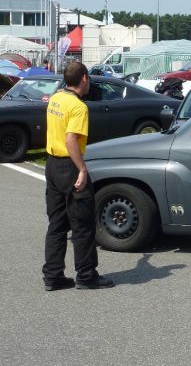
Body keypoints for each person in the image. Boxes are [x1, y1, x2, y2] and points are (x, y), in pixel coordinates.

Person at [43, 61, 114, 291]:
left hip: (52, 164)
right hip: (69, 167)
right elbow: (71, 139)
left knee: (57, 223)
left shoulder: (56, 98)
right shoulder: (78, 107)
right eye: (89, 78)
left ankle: (53, 276)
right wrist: (82, 169)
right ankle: (86, 275)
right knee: (82, 223)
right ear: (84, 78)